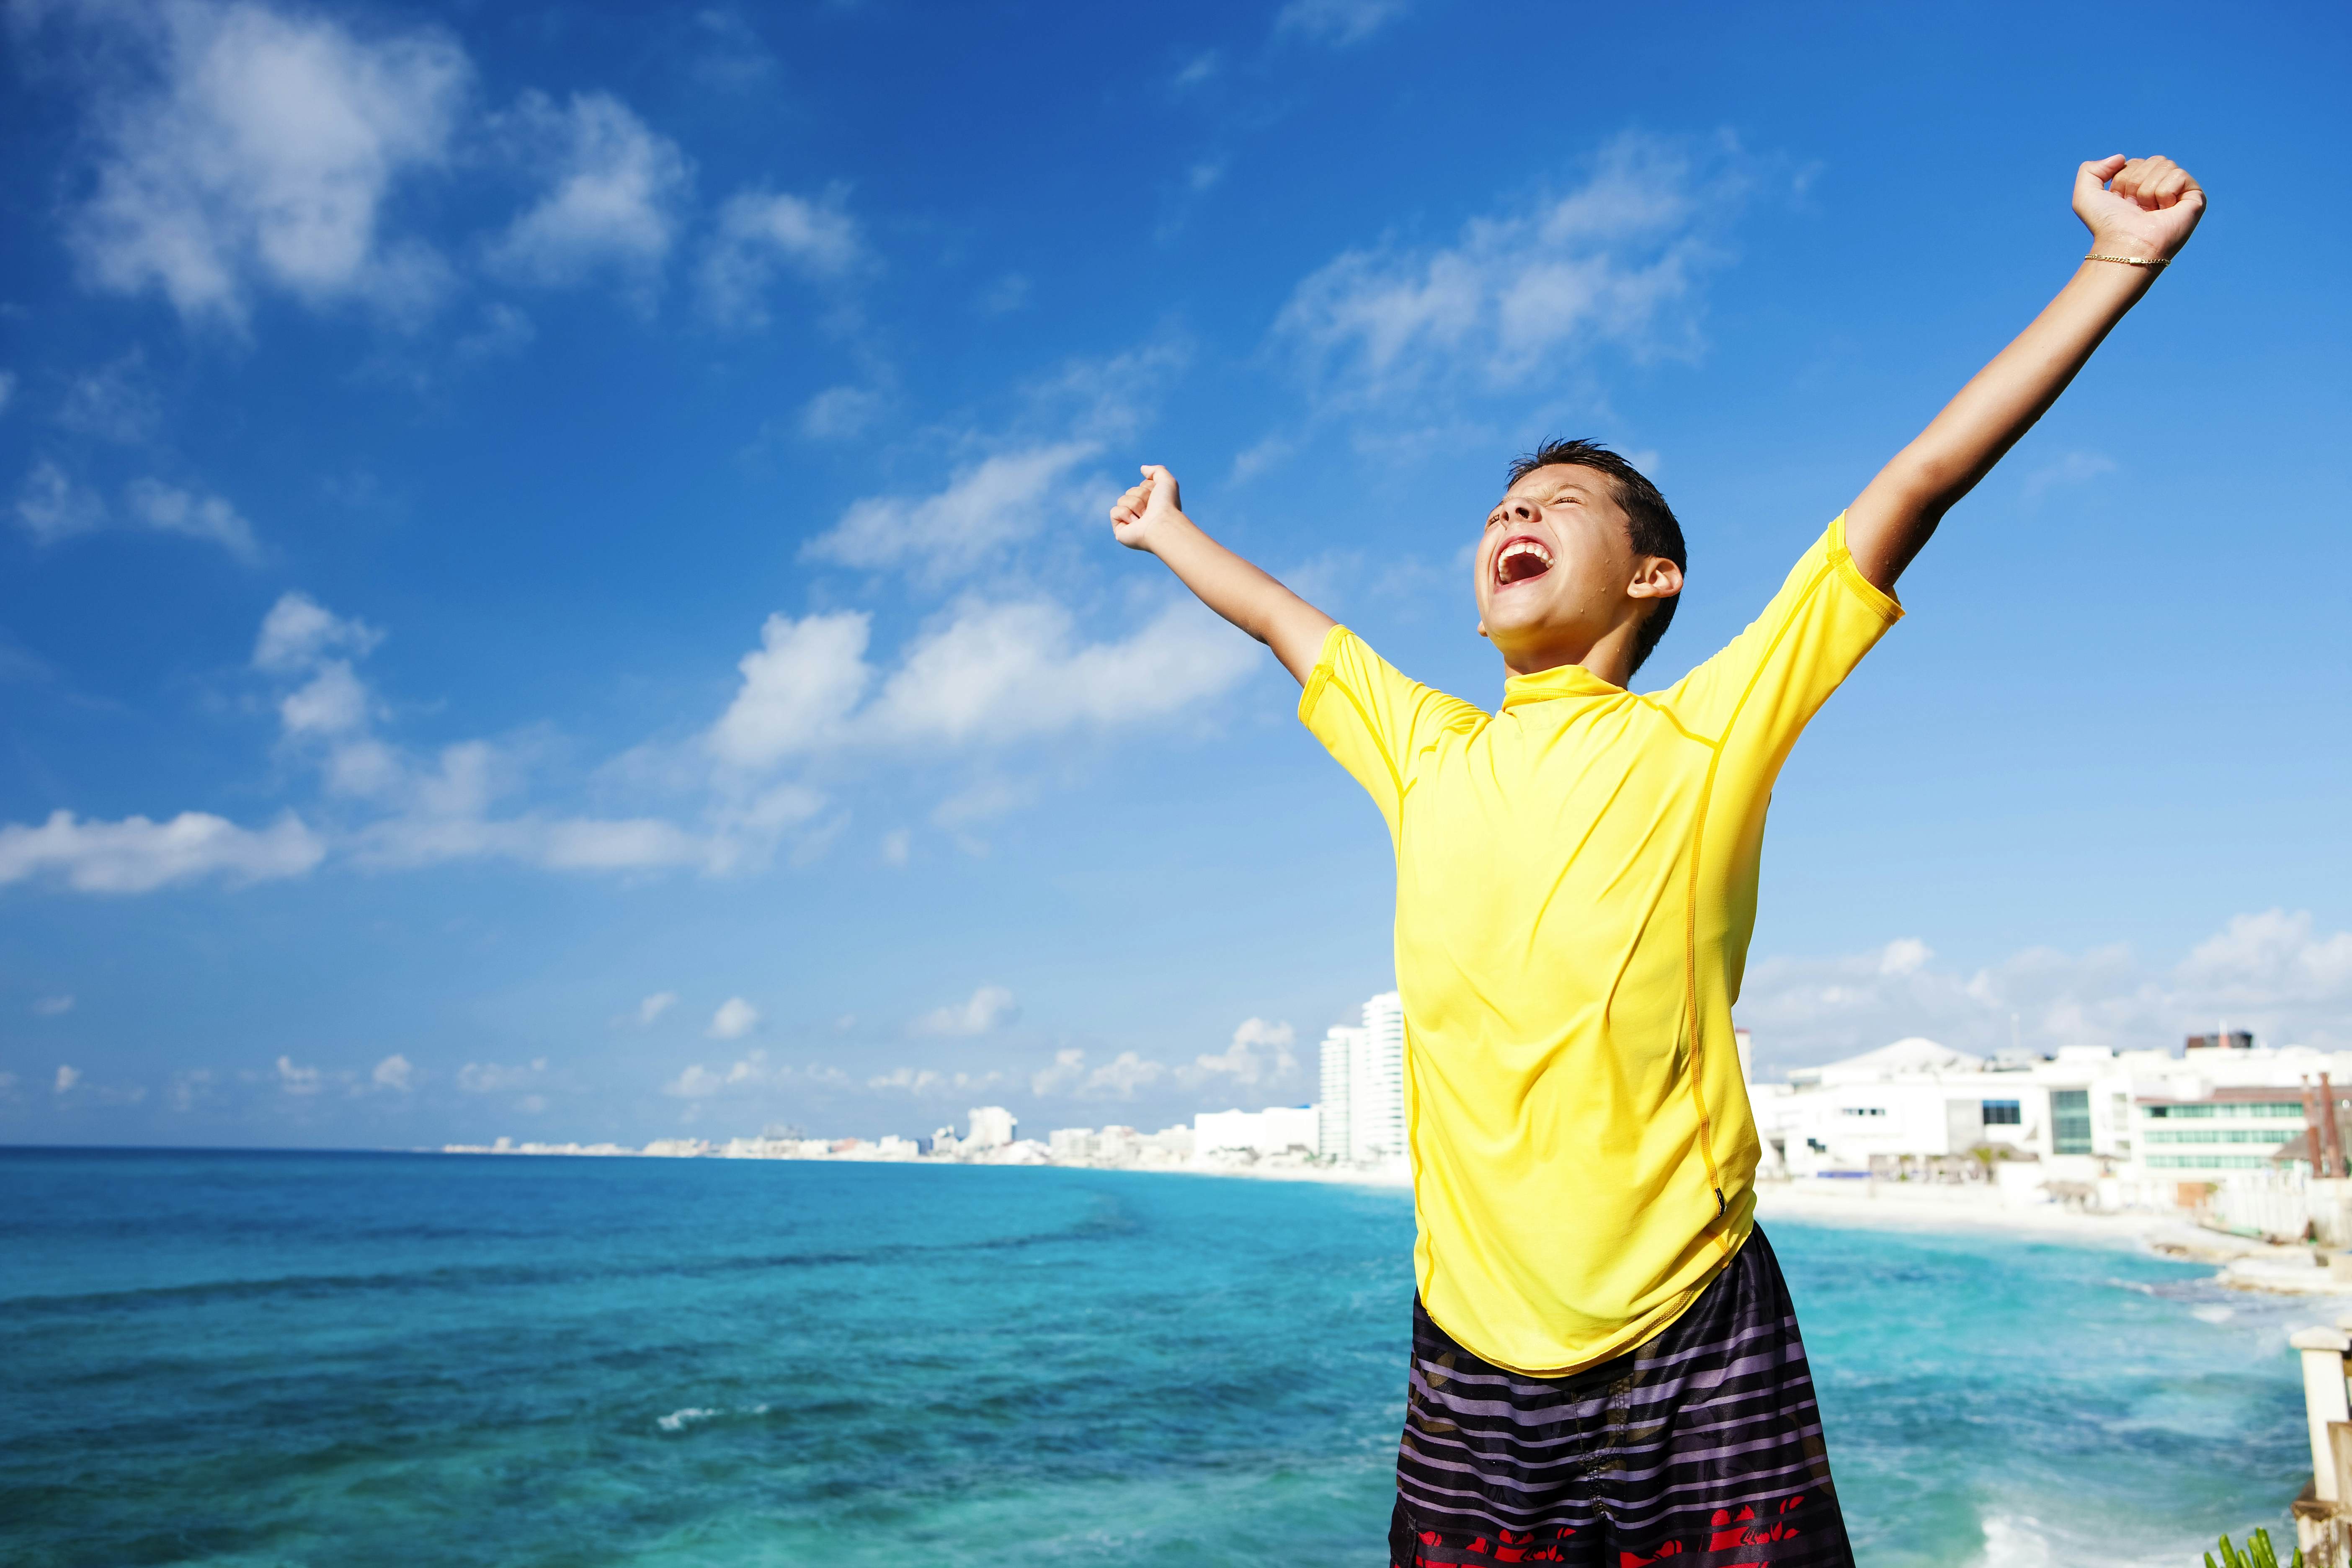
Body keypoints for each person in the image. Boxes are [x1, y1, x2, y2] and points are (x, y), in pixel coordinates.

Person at [1107, 153, 2206, 1565]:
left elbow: (1920, 483)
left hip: (1688, 1320)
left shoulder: (1708, 727)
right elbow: (1281, 623)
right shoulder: (1424, 743)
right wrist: (1170, 531)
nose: (1516, 516)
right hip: (1468, 1340)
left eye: (1558, 502)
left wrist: (2118, 262)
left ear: (1652, 577)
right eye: (1503, 507)